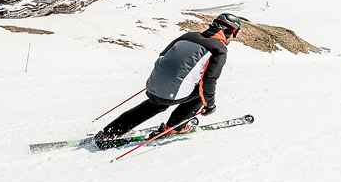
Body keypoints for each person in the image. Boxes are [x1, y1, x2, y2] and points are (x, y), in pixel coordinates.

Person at [95, 13, 242, 142]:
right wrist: (209, 106)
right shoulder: (219, 49)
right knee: (200, 94)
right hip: (171, 93)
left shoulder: (188, 36)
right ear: (231, 32)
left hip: (153, 85)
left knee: (153, 106)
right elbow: (209, 81)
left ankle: (109, 133)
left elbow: (164, 56)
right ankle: (175, 127)